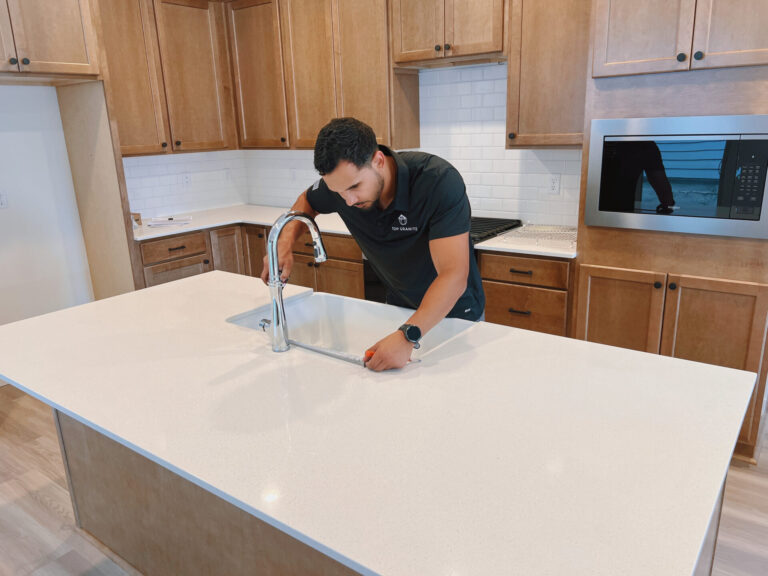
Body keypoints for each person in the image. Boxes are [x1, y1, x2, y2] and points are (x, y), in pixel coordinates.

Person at [261, 117, 484, 372]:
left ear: (378, 160)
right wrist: (284, 243)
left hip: (455, 317)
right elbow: (307, 201)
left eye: (355, 187)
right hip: (398, 311)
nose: (348, 201)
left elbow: (453, 275)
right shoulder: (343, 187)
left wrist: (407, 336)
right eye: (339, 192)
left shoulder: (436, 181)